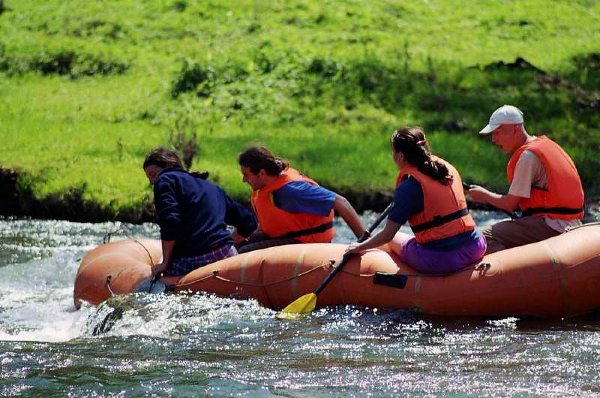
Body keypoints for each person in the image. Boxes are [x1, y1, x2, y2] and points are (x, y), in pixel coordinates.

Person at [346, 127, 486, 274]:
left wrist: (359, 247)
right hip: (475, 246)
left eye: (393, 152)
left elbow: (388, 235)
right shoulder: (447, 170)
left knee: (394, 239)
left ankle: (376, 271)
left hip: (442, 259)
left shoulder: (408, 189)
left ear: (400, 156)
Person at [467, 105, 584, 254]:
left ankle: (511, 273)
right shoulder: (546, 145)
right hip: (571, 222)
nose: (494, 139)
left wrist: (483, 195)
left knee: (483, 237)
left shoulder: (527, 157)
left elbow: (509, 204)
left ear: (515, 129)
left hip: (553, 225)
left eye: (498, 132)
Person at [143, 147, 257, 277]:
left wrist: (165, 262)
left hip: (192, 260)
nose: (152, 182)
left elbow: (170, 221)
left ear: (169, 165)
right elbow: (249, 221)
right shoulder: (211, 187)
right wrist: (224, 243)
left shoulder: (164, 180)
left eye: (152, 175)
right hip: (227, 254)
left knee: (158, 282)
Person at [236, 146, 367, 253]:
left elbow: (341, 202)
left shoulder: (291, 191)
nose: (243, 180)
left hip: (308, 244)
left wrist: (365, 242)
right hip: (286, 237)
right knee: (235, 246)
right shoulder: (264, 188)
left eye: (246, 175)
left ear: (262, 173)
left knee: (244, 252)